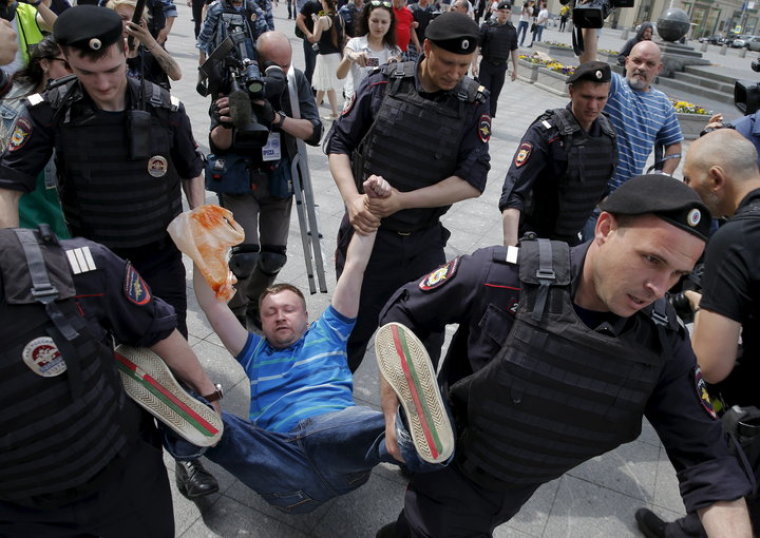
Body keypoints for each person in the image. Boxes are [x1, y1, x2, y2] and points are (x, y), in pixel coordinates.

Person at [375, 173, 754, 537]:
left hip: (520, 480)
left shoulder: (663, 343)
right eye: (652, 259)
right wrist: (395, 405)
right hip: (458, 466)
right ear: (604, 229)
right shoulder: (503, 277)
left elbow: (708, 460)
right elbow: (407, 310)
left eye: (677, 275)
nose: (658, 287)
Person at [0, 5, 220, 499]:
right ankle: (128, 459)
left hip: (158, 257)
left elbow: (191, 168)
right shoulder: (47, 109)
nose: (102, 84)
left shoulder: (164, 105)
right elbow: (7, 185)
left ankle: (187, 455)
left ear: (127, 50)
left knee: (173, 353)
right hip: (90, 268)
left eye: (112, 70)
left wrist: (198, 225)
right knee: (101, 367)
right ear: (67, 62)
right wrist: (9, 257)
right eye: (87, 73)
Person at [189, 178, 454, 513]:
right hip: (282, 472)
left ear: (306, 316)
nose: (280, 317)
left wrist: (372, 209)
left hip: (338, 451)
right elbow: (212, 306)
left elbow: (355, 268)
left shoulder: (329, 330)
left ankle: (410, 441)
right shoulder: (253, 352)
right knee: (215, 422)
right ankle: (186, 427)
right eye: (270, 313)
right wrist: (200, 250)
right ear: (262, 321)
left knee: (357, 426)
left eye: (288, 309)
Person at [0, 225, 220, 537]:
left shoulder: (78, 265)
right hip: (19, 513)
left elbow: (155, 329)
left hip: (123, 480)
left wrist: (206, 391)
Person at [325, 12, 491, 372]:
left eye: (465, 65)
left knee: (423, 348)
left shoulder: (473, 102)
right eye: (448, 62)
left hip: (423, 243)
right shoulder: (382, 84)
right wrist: (352, 200)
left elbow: (473, 180)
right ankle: (322, 419)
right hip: (368, 237)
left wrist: (402, 201)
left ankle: (412, 424)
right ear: (426, 48)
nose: (455, 73)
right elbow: (337, 142)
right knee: (346, 339)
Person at [635, 130, 760, 537]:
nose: (688, 189)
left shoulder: (736, 238)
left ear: (717, 178)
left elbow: (711, 363)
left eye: (690, 179)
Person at [206, 30, 323, 329]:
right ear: (255, 61)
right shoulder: (234, 80)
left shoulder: (295, 82)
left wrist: (277, 119)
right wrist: (228, 120)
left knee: (273, 257)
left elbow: (314, 131)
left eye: (285, 66)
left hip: (277, 176)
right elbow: (217, 143)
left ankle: (255, 302)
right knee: (245, 256)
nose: (280, 73)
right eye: (274, 66)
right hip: (241, 176)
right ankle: (235, 306)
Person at [579, 28, 683, 237]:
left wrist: (662, 176)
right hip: (590, 197)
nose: (642, 68)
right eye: (637, 61)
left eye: (650, 64)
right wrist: (589, 27)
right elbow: (589, 63)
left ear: (659, 69)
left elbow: (674, 144)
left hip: (626, 203)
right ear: (626, 62)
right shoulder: (614, 87)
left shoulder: (663, 104)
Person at [499, 61, 616, 246]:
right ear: (571, 92)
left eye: (601, 98)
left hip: (571, 240)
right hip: (535, 238)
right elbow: (513, 196)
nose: (593, 106)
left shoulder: (606, 133)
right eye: (586, 97)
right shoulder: (547, 132)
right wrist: (511, 255)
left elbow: (600, 191)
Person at [0, 36, 70, 238]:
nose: (76, 73)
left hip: (62, 224)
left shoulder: (85, 105)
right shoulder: (9, 98)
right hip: (22, 220)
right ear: (45, 64)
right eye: (67, 65)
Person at [107, 0, 182, 89]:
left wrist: (149, 40)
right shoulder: (105, 49)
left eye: (135, 19)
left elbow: (176, 75)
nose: (130, 23)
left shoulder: (149, 50)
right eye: (123, 18)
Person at [337, 0, 400, 100]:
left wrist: (397, 67)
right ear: (367, 20)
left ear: (390, 23)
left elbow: (398, 86)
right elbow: (340, 75)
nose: (379, 26)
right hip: (355, 107)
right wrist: (350, 57)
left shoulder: (394, 51)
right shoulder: (355, 44)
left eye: (384, 22)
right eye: (375, 21)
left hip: (381, 108)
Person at [472, 1, 517, 118]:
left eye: (507, 12)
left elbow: (514, 49)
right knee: (482, 93)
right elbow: (477, 46)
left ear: (510, 13)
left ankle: (488, 120)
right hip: (486, 65)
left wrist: (515, 69)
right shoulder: (487, 26)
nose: (504, 14)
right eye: (502, 12)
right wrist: (474, 64)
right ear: (497, 11)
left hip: (501, 67)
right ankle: (478, 117)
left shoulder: (511, 30)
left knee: (494, 96)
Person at [196, 0, 268, 64]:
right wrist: (202, 56)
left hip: (249, 58)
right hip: (221, 59)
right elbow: (205, 34)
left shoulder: (253, 8)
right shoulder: (217, 7)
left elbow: (264, 33)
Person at [0, 0, 56, 76]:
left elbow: (59, 28)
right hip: (4, 82)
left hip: (31, 79)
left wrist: (37, 3)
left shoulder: (26, 10)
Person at [310, 0, 344, 120]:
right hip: (335, 55)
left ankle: (323, 112)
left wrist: (315, 22)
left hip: (325, 56)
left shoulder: (322, 19)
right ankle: (318, 110)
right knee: (324, 85)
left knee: (326, 85)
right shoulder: (339, 17)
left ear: (325, 2)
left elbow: (315, 38)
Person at [296, 0, 321, 85]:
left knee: (321, 69)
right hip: (311, 42)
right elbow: (299, 19)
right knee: (311, 68)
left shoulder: (331, 7)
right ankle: (305, 88)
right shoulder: (311, 4)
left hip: (324, 43)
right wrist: (308, 34)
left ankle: (316, 91)